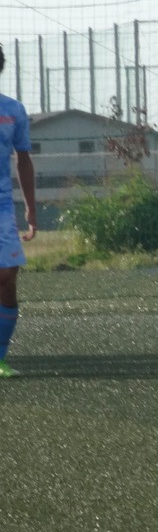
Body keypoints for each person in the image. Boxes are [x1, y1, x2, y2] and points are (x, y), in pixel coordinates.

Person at [0, 46, 37, 379]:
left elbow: (23, 158)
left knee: (8, 276)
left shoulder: (13, 110)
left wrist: (30, 207)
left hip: (2, 208)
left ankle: (0, 357)